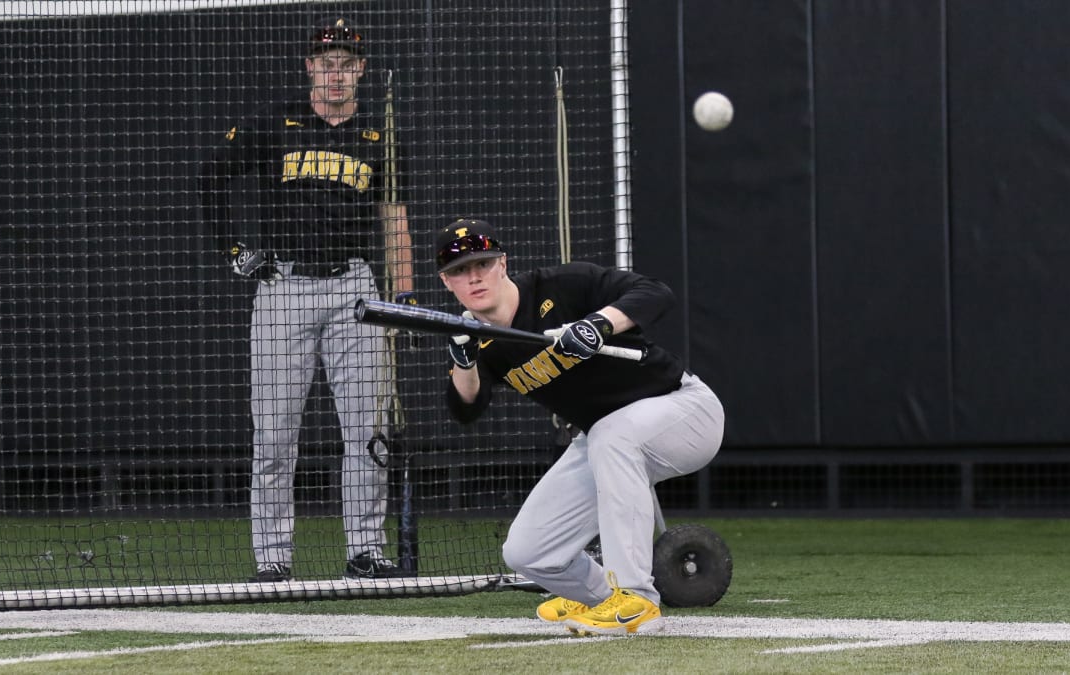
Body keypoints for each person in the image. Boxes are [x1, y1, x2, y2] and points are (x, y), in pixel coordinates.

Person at [199, 17, 414, 582]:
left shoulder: (380, 131)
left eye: (346, 63)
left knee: (367, 431)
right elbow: (212, 175)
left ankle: (365, 551)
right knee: (273, 437)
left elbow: (395, 217)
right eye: (325, 63)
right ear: (309, 67)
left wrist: (406, 295)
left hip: (354, 290)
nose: (335, 74)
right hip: (284, 290)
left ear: (360, 70)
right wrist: (235, 250)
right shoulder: (275, 122)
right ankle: (272, 560)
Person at [434, 218, 725, 635]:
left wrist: (599, 325)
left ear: (503, 264)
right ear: (447, 282)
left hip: (685, 411)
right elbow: (466, 410)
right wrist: (464, 364)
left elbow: (656, 293)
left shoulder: (564, 284)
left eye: (482, 263)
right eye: (459, 270)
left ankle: (636, 600)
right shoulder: (476, 337)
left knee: (611, 434)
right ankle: (603, 596)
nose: (474, 276)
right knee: (528, 552)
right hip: (607, 439)